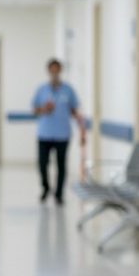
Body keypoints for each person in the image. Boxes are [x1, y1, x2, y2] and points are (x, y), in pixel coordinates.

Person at [32, 58, 86, 205]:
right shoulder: (41, 90)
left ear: (60, 71)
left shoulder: (68, 90)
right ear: (48, 71)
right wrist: (44, 109)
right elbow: (34, 110)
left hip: (63, 135)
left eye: (57, 70)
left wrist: (82, 131)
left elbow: (75, 111)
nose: (54, 73)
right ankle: (46, 188)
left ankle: (59, 194)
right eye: (52, 70)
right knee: (42, 164)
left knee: (61, 166)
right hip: (44, 134)